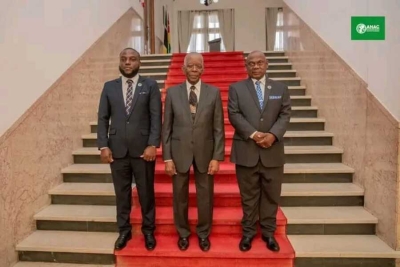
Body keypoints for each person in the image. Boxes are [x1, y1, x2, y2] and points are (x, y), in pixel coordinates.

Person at [97, 48, 162, 251]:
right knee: (121, 194)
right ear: (119, 61)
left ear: (139, 63)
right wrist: (103, 145)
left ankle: (148, 230)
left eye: (132, 59)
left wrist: (153, 144)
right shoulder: (109, 87)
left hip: (143, 151)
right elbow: (102, 118)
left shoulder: (150, 85)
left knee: (146, 193)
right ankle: (123, 230)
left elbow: (156, 117)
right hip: (117, 151)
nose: (127, 62)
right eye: (124, 59)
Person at [227, 50, 291, 252]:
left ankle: (268, 233)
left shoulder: (280, 88)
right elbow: (234, 114)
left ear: (267, 64)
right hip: (246, 151)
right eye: (251, 63)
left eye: (259, 63)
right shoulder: (236, 89)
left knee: (271, 195)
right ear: (246, 66)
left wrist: (272, 135)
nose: (255, 66)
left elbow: (285, 114)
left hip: (273, 152)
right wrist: (254, 134)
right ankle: (248, 233)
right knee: (248, 196)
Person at [162, 52, 225, 251]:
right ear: (183, 69)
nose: (195, 70)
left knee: (205, 196)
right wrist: (167, 157)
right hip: (179, 153)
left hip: (205, 154)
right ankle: (183, 233)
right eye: (191, 66)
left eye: (198, 66)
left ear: (203, 69)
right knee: (179, 196)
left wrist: (217, 157)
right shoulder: (172, 93)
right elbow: (167, 128)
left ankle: (204, 233)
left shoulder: (213, 93)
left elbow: (218, 128)